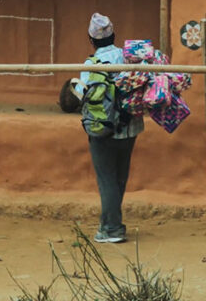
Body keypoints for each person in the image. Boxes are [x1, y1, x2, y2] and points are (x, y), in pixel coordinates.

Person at [76, 12, 142, 243]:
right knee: (119, 177)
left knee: (106, 179)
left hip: (102, 129)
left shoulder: (90, 64)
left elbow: (81, 94)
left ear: (91, 40)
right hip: (129, 127)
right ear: (114, 35)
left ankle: (111, 229)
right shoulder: (129, 57)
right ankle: (112, 224)